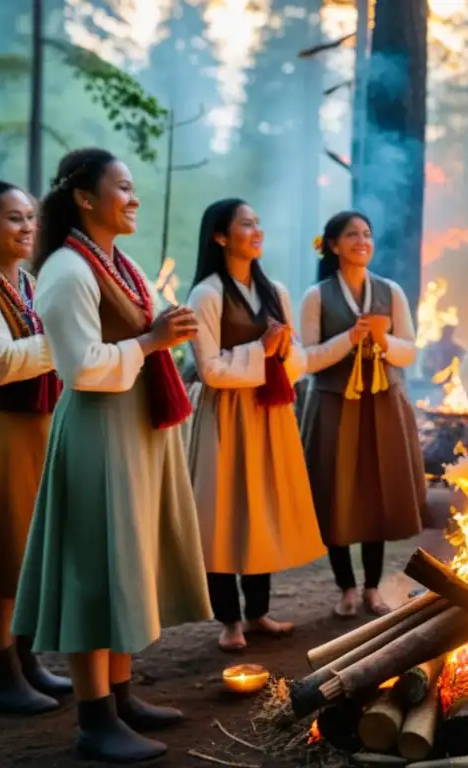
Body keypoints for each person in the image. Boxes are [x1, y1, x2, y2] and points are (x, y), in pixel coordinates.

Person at [10, 148, 212, 763]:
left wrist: (162, 332)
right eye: (122, 188)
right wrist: (153, 341)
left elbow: (137, 337)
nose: (134, 198)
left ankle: (121, 696)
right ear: (85, 198)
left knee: (129, 564)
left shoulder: (118, 263)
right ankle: (95, 719)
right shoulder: (67, 272)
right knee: (96, 568)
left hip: (135, 428)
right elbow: (81, 367)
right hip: (100, 429)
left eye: (133, 188)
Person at [186, 199, 325, 651]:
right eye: (247, 224)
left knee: (261, 507)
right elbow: (208, 368)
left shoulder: (276, 291)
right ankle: (229, 620)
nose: (257, 231)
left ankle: (259, 611)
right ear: (221, 237)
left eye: (258, 223)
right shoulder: (206, 294)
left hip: (269, 411)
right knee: (225, 511)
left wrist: (283, 352)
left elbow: (298, 357)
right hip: (227, 414)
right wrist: (262, 351)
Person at [0, 176, 70, 715]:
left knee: (28, 550)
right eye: (13, 218)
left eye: (30, 216)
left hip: (37, 428)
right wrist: (64, 342)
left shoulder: (27, 284)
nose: (27, 226)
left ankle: (26, 662)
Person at [299, 211, 426, 618]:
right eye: (351, 234)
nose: (362, 241)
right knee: (334, 493)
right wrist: (350, 338)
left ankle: (372, 587)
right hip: (334, 402)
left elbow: (409, 350)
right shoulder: (317, 296)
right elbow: (306, 359)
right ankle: (346, 589)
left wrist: (380, 338)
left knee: (376, 494)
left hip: (382, 401)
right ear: (332, 244)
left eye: (367, 234)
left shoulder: (390, 292)